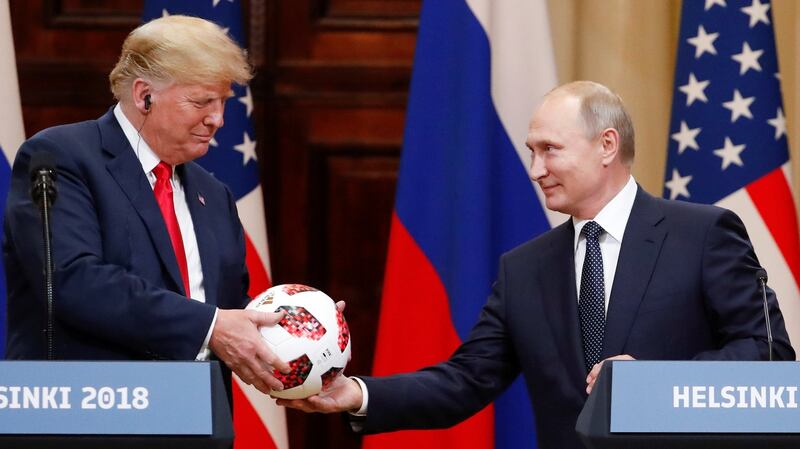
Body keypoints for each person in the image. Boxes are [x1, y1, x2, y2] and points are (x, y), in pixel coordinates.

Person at [277, 81, 795, 449]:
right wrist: (356, 393)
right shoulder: (524, 268)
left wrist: (659, 383)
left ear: (606, 145)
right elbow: (465, 381)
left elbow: (767, 355)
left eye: (550, 150)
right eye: (531, 151)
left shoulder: (703, 233)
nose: (534, 170)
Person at [4, 15, 290, 396]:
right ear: (144, 95)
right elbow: (75, 280)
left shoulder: (215, 195)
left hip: (197, 418)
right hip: (93, 414)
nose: (218, 119)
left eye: (223, 102)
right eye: (202, 101)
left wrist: (299, 331)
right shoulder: (61, 157)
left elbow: (229, 311)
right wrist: (210, 327)